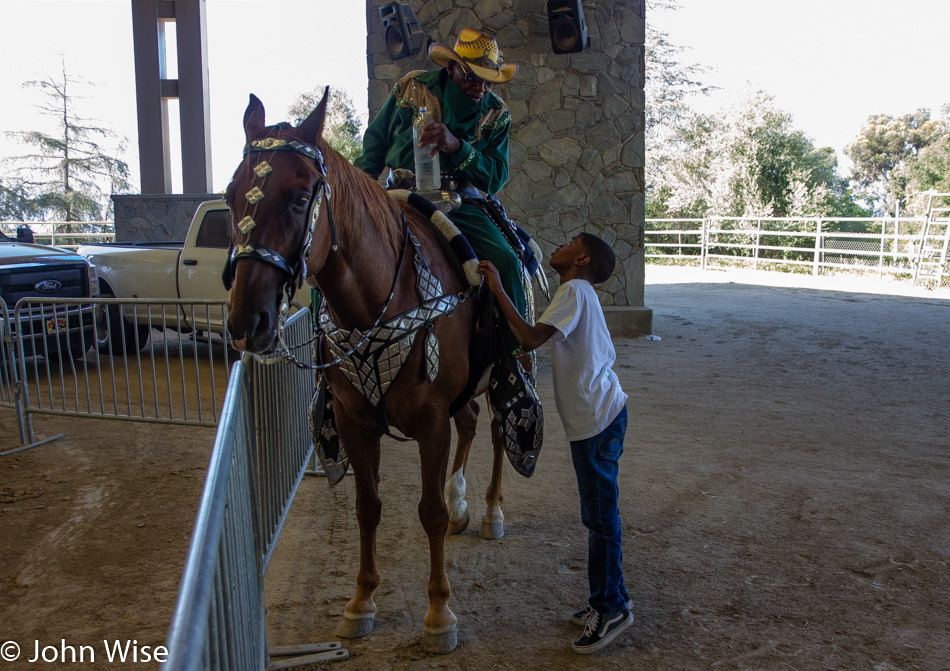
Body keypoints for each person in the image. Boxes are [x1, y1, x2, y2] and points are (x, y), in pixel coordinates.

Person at [477, 233, 633, 654]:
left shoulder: (573, 291)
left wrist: (496, 288)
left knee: (601, 518)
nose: (559, 245)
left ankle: (611, 606)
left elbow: (530, 339)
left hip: (597, 421)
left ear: (581, 258)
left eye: (569, 242)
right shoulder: (576, 292)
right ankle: (611, 595)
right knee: (598, 514)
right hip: (599, 417)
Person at [354, 27, 528, 357]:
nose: (481, 87)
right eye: (472, 76)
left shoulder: (496, 113)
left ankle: (511, 367)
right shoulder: (412, 86)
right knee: (337, 248)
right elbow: (375, 143)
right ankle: (328, 365)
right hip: (397, 198)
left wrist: (457, 146)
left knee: (507, 261)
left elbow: (495, 176)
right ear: (451, 67)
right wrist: (360, 192)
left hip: (461, 204)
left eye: (488, 79)